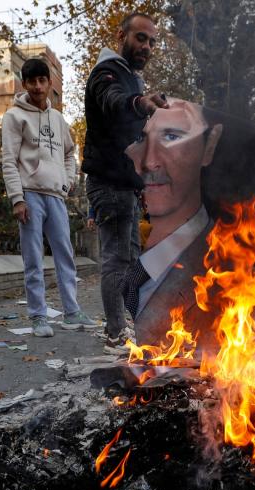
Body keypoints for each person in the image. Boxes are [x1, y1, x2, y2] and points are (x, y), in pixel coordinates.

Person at [82, 12, 169, 355]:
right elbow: (113, 101)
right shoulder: (108, 73)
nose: (146, 47)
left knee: (130, 261)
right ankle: (116, 334)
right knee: (117, 261)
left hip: (126, 188)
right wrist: (141, 103)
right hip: (110, 186)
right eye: (140, 38)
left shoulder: (130, 77)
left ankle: (123, 326)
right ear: (122, 35)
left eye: (151, 42)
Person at [1, 58, 98, 337]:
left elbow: (70, 152)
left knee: (65, 254)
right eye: (31, 81)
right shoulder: (14, 117)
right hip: (29, 194)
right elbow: (8, 159)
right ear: (24, 84)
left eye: (42, 80)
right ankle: (38, 316)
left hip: (55, 196)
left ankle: (71, 312)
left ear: (49, 83)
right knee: (33, 257)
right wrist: (16, 198)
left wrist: (67, 182)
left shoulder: (58, 119)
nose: (37, 86)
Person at [122, 99, 224, 348]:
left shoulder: (225, 267)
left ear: (209, 147)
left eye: (170, 136)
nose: (148, 162)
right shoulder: (136, 257)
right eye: (141, 139)